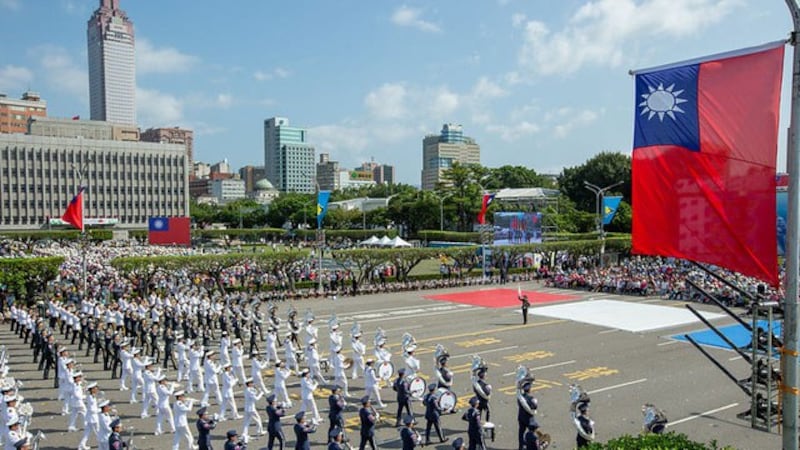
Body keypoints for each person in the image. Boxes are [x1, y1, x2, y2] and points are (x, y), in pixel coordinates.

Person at [242, 378, 265, 443]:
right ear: (249, 384)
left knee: (246, 422)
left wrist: (257, 390)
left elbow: (253, 392)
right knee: (258, 420)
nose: (253, 383)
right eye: (251, 383)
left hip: (247, 408)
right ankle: (259, 431)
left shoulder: (247, 390)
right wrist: (261, 393)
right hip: (251, 409)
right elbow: (256, 399)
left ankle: (244, 434)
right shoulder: (250, 391)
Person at [517, 381, 537, 450]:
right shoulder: (532, 399)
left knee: (521, 433)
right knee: (531, 434)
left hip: (521, 417)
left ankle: (521, 446)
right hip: (529, 419)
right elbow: (534, 408)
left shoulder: (520, 398)